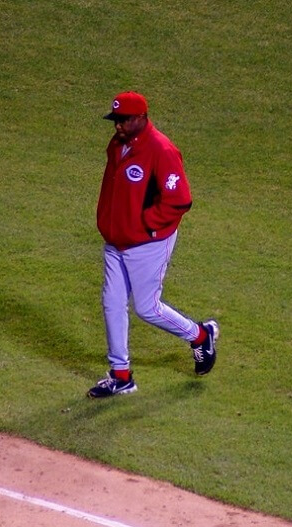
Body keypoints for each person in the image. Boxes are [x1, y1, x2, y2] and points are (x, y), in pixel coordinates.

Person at [87, 91, 219, 398]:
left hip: (148, 242)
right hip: (116, 240)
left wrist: (144, 224)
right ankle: (121, 375)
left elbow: (180, 200)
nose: (117, 126)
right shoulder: (117, 145)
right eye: (115, 120)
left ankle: (200, 336)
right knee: (112, 302)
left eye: (123, 120)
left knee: (147, 308)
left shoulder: (161, 150)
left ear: (141, 119)